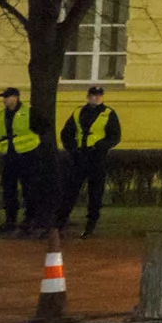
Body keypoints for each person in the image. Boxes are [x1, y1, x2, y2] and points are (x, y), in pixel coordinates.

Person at [60, 85, 123, 238]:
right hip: (80, 156)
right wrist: (73, 149)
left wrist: (102, 146)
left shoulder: (108, 113)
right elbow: (66, 133)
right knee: (71, 190)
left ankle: (90, 225)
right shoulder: (78, 112)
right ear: (87, 97)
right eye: (94, 95)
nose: (96, 97)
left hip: (97, 157)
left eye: (99, 95)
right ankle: (61, 221)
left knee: (95, 192)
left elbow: (115, 136)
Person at [0, 88, 39, 236]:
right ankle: (10, 220)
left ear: (16, 98)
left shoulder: (29, 112)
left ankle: (30, 219)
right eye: (3, 97)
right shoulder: (2, 114)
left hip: (27, 155)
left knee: (28, 189)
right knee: (9, 190)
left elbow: (43, 128)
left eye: (7, 97)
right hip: (9, 156)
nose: (5, 100)